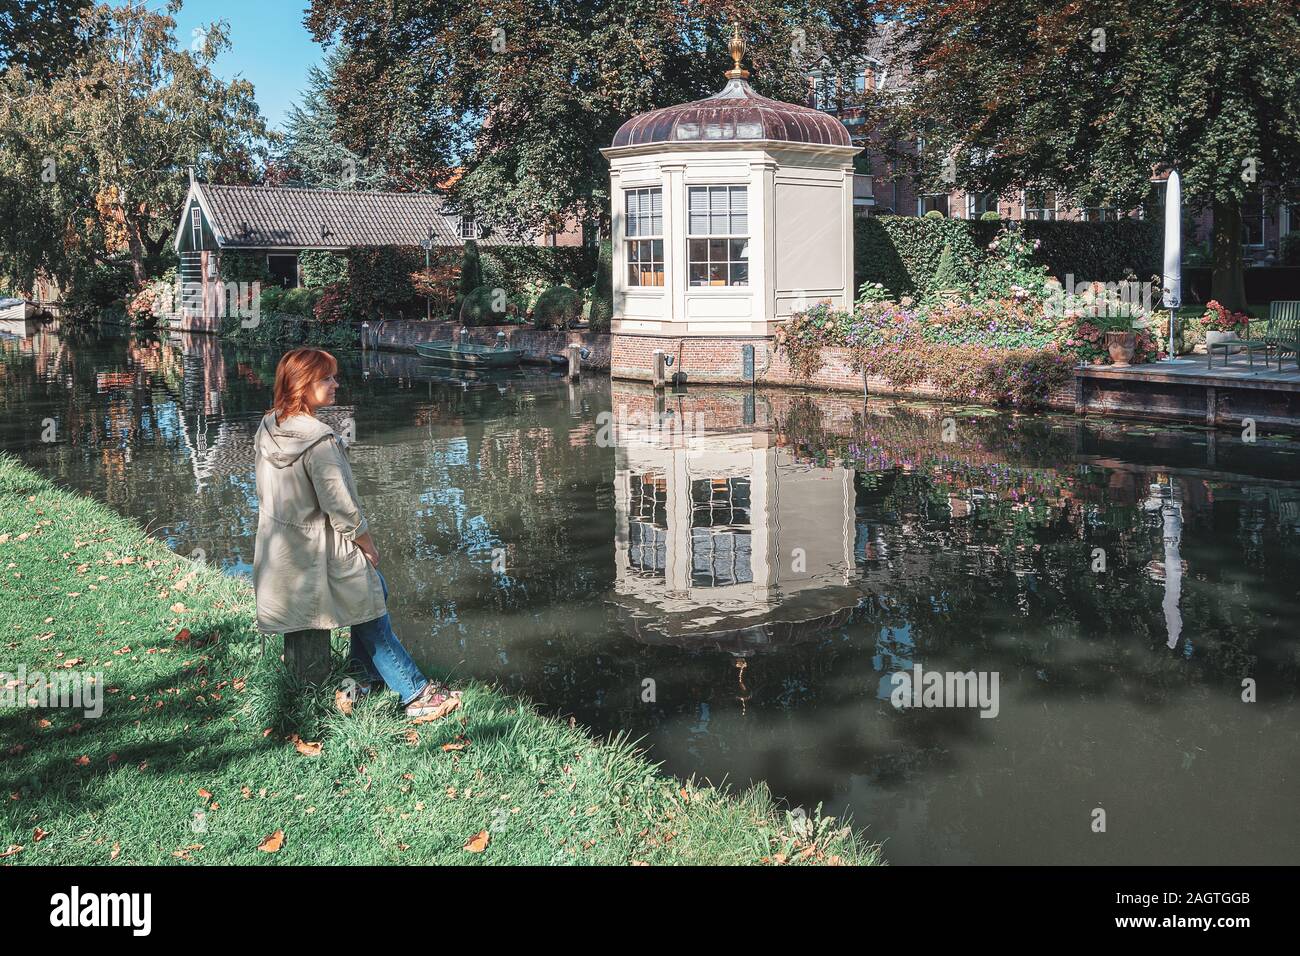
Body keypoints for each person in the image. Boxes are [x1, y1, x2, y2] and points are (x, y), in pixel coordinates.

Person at [251, 347, 451, 717]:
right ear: (302, 385)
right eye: (326, 378)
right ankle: (417, 696)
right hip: (321, 549)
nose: (335, 384)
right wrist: (368, 545)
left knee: (376, 593)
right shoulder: (319, 440)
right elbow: (341, 509)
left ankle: (362, 682)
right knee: (372, 607)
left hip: (283, 551)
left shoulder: (270, 427)